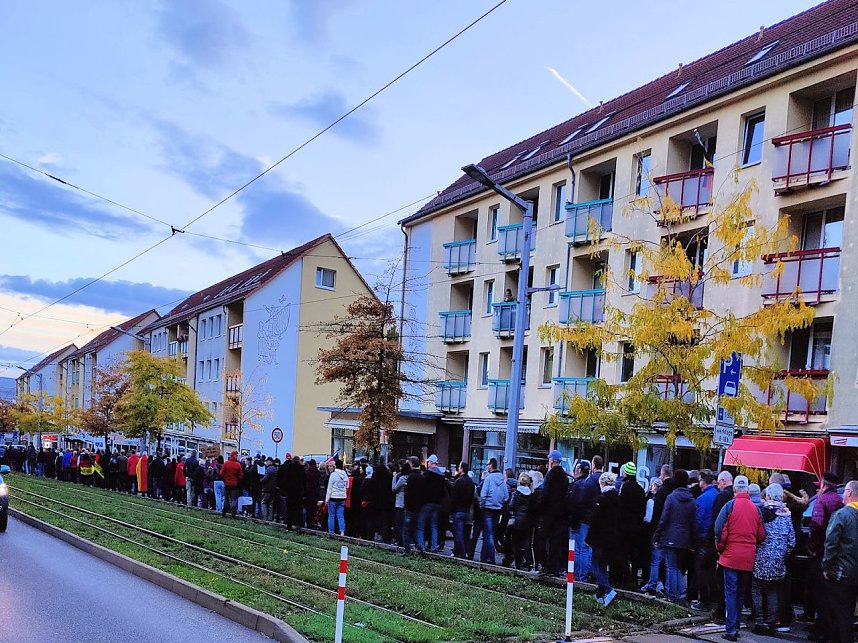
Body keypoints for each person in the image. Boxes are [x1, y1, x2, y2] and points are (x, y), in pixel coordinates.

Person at [714, 475, 766, 642]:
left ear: (735, 489)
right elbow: (761, 534)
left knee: (730, 593)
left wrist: (720, 548)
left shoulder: (730, 506)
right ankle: (735, 625)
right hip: (747, 558)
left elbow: (719, 529)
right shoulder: (755, 509)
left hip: (730, 556)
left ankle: (731, 630)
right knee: (740, 594)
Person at [751, 483, 795, 636]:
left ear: (767, 496)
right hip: (778, 560)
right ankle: (771, 622)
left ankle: (759, 622)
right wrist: (782, 553)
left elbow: (755, 534)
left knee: (757, 589)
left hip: (760, 556)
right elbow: (791, 541)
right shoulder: (786, 515)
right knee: (773, 590)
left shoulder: (762, 511)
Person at [821, 479, 858, 643]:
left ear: (849, 493)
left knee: (839, 613)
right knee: (848, 611)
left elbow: (831, 543)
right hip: (854, 573)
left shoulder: (842, 515)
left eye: (845, 491)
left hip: (840, 572)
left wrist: (826, 567)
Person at [653, 469, 697, 605]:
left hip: (670, 536)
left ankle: (672, 595)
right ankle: (681, 594)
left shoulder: (671, 498)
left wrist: (657, 534)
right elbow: (693, 520)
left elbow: (664, 518)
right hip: (685, 538)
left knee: (671, 567)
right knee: (679, 567)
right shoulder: (691, 500)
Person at [587, 471, 621, 607]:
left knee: (595, 566)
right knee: (602, 566)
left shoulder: (602, 499)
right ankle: (600, 595)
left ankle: (608, 590)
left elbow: (595, 521)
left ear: (603, 483)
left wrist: (588, 538)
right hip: (612, 538)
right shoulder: (617, 498)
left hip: (599, 538)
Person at [618, 462, 646, 588]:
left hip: (625, 527)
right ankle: (634, 577)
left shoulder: (625, 487)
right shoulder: (640, 489)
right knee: (635, 555)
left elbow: (621, 506)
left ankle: (626, 578)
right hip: (637, 527)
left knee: (623, 553)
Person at [692, 470, 718, 611]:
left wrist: (694, 537)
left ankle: (704, 602)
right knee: (711, 571)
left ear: (703, 481)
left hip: (703, 539)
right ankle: (712, 597)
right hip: (713, 539)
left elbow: (698, 520)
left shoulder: (702, 498)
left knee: (701, 571)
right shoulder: (717, 495)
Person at [478, 457, 509, 564]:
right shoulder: (502, 479)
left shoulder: (488, 479)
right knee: (489, 534)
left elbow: (483, 495)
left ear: (491, 465)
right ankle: (483, 557)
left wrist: (482, 505)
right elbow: (506, 496)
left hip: (488, 509)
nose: (487, 467)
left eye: (487, 464)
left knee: (489, 535)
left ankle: (491, 558)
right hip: (498, 510)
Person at [419, 454, 446, 552]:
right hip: (437, 504)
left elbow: (422, 489)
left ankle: (421, 546)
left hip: (427, 503)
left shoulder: (426, 475)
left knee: (421, 525)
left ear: (430, 462)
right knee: (434, 526)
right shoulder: (441, 476)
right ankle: (434, 547)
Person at [509, 473, 535, 571]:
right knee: (527, 543)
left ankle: (518, 563)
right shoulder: (531, 494)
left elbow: (511, 506)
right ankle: (530, 562)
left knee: (516, 543)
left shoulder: (516, 493)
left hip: (517, 521)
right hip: (528, 521)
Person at [451, 462, 475, 558]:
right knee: (464, 534)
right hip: (466, 510)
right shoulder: (471, 482)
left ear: (461, 469)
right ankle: (459, 553)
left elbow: (454, 498)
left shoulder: (458, 481)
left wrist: (452, 510)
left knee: (458, 534)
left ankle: (462, 554)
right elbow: (471, 497)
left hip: (458, 510)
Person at [325, 459, 348, 535]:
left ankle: (331, 531)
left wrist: (327, 499)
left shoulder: (333, 475)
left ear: (335, 466)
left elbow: (329, 488)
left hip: (333, 497)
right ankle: (342, 531)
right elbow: (347, 486)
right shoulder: (345, 474)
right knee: (340, 516)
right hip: (342, 497)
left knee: (331, 515)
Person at [392, 461, 411, 546]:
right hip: (407, 503)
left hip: (399, 502)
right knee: (405, 523)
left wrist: (394, 478)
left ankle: (399, 540)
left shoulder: (402, 478)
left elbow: (394, 488)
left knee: (399, 523)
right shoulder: (410, 477)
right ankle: (405, 540)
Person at [220, 451, 243, 518]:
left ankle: (224, 512)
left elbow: (221, 473)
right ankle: (233, 512)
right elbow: (241, 476)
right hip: (234, 485)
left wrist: (225, 479)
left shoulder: (226, 463)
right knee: (234, 499)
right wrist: (237, 480)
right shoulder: (238, 465)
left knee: (226, 498)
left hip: (227, 484)